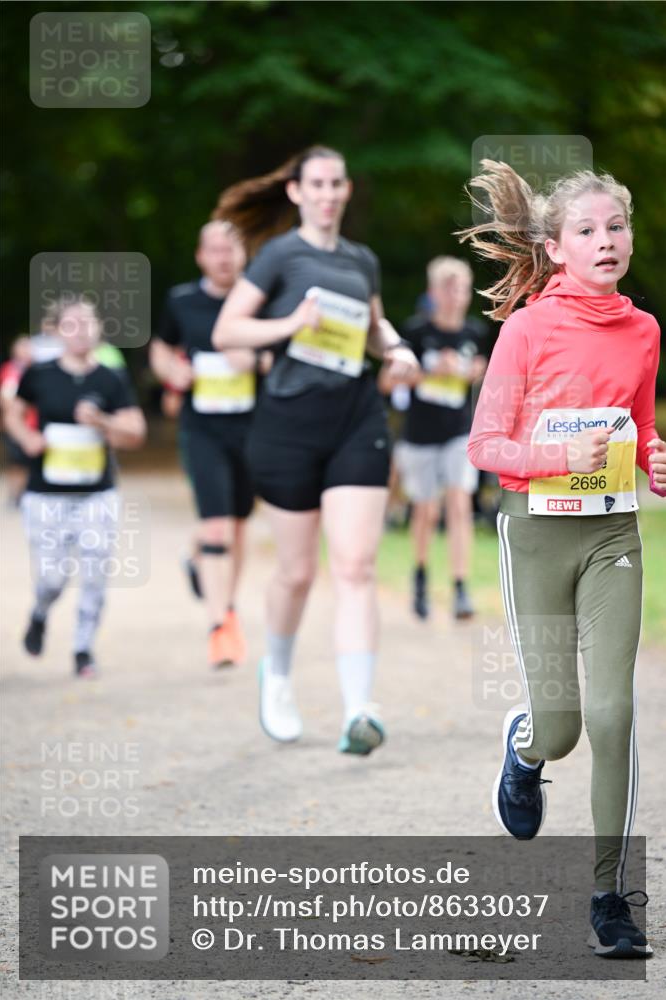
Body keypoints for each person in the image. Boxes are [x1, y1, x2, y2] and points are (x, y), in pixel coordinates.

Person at [459, 159, 666, 958]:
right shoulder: (527, 329)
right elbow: (484, 445)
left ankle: (609, 893)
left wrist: (651, 458)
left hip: (613, 535)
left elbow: (640, 427)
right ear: (555, 246)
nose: (605, 241)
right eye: (585, 230)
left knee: (614, 714)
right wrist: (555, 457)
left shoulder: (644, 330)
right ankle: (523, 749)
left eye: (615, 226)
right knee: (562, 727)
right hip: (535, 532)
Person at [211, 145, 420, 754]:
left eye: (337, 184)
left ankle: (360, 709)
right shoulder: (278, 256)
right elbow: (229, 331)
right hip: (288, 425)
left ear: (346, 191)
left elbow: (375, 326)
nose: (328, 193)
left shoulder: (362, 260)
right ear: (298, 192)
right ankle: (275, 674)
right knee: (298, 571)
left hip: (356, 418)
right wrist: (287, 327)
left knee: (354, 565)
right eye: (317, 184)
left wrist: (399, 348)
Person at [3, 296, 146, 677]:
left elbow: (135, 432)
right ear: (56, 332)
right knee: (53, 576)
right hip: (45, 493)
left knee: (96, 570)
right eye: (71, 324)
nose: (81, 331)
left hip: (96, 492)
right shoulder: (40, 373)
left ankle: (83, 649)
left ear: (99, 329)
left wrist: (103, 423)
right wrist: (27, 438)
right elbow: (13, 412)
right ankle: (39, 612)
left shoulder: (110, 378)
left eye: (87, 323)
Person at [150, 220, 257, 669]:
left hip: (251, 426)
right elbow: (160, 348)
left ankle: (223, 600)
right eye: (214, 249)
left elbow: (278, 350)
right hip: (202, 428)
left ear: (244, 254)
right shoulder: (182, 301)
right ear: (200, 256)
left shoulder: (259, 298)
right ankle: (219, 625)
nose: (223, 257)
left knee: (237, 526)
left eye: (231, 248)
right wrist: (170, 373)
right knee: (215, 525)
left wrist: (251, 359)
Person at [382, 257, 487, 620]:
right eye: (447, 287)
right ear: (433, 292)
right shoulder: (413, 333)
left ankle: (461, 588)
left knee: (459, 504)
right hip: (419, 437)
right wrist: (426, 371)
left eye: (460, 288)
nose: (455, 295)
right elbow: (386, 381)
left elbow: (487, 377)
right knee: (425, 512)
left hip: (459, 435)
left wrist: (473, 372)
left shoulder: (474, 334)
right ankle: (421, 576)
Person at [0, 335, 35, 505]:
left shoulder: (37, 369)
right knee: (17, 462)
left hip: (35, 424)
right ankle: (15, 495)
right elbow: (6, 396)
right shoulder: (11, 369)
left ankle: (26, 493)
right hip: (17, 425)